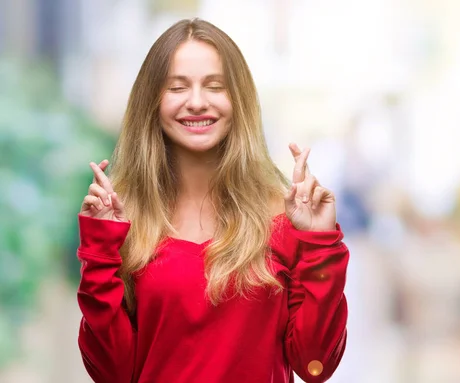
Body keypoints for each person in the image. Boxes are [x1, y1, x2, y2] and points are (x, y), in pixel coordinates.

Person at [76, 18, 349, 383]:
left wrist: (318, 245)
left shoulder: (285, 220)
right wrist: (101, 252)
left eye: (214, 86)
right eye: (177, 87)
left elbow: (316, 365)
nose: (197, 102)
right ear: (151, 102)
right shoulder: (123, 222)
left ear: (238, 100)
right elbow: (113, 373)